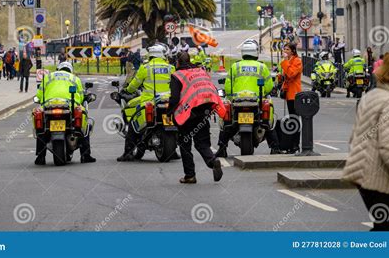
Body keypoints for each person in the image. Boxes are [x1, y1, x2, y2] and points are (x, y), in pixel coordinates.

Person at [342, 52, 389, 231]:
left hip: (362, 175)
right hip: (379, 178)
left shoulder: (372, 96)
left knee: (383, 227)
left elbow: (354, 137)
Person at [216, 40, 281, 157]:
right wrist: (263, 94)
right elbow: (269, 86)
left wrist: (231, 96)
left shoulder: (235, 66)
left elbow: (227, 86)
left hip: (237, 102)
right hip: (256, 102)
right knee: (268, 123)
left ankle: (222, 147)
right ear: (256, 52)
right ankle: (275, 148)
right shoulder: (262, 66)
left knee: (227, 124)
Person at [167, 52, 225, 183]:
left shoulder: (177, 76)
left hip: (188, 114)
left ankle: (190, 175)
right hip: (204, 110)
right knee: (202, 143)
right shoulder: (200, 71)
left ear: (177, 62)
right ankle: (213, 161)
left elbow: (175, 98)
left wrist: (169, 112)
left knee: (185, 145)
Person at [116, 45, 176, 161]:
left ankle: (128, 153)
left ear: (151, 55)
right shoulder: (170, 68)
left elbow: (135, 84)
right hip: (168, 102)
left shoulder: (145, 68)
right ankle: (173, 152)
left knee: (133, 124)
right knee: (171, 123)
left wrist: (127, 91)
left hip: (149, 102)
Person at [35, 61, 96, 165]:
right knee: (85, 126)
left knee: (42, 130)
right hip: (70, 106)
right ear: (70, 70)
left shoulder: (48, 77)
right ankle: (85, 155)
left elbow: (39, 95)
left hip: (49, 105)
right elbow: (81, 97)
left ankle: (40, 157)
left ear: (58, 69)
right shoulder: (74, 78)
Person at [280, 42, 303, 153]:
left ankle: (295, 145)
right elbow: (285, 76)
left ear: (293, 51)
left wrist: (284, 62)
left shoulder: (297, 61)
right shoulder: (288, 61)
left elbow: (291, 74)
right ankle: (291, 144)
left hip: (295, 94)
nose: (285, 51)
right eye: (284, 49)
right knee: (292, 119)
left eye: (287, 49)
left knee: (294, 119)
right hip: (289, 94)